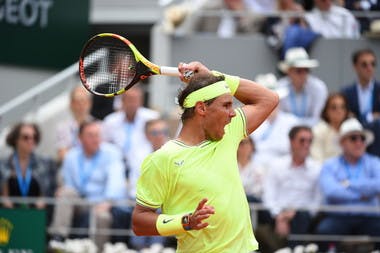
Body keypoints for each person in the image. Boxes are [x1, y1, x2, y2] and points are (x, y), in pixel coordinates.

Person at [132, 61, 279, 252]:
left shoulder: (228, 132)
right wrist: (184, 222)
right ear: (201, 108)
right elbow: (139, 221)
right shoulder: (162, 159)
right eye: (226, 105)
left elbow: (270, 99)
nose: (233, 113)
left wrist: (213, 75)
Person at [50, 120, 127, 250]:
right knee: (66, 192)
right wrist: (63, 192)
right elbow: (68, 183)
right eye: (90, 135)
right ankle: (59, 238)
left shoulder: (111, 152)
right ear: (80, 138)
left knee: (102, 216)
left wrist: (107, 201)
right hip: (80, 200)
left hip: (101, 201)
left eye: (97, 135)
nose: (95, 139)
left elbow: (116, 180)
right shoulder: (71, 156)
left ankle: (97, 250)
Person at [315, 117, 380, 251]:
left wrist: (348, 184)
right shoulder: (329, 165)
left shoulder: (374, 162)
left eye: (362, 138)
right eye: (353, 138)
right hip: (339, 216)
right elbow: (331, 192)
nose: (359, 142)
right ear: (342, 143)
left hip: (369, 217)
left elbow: (378, 185)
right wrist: (363, 195)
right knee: (324, 231)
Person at [262, 125, 321, 250]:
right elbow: (269, 196)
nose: (306, 144)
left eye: (309, 141)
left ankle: (293, 249)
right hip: (277, 214)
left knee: (301, 216)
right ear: (291, 141)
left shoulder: (317, 168)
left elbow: (317, 202)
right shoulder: (276, 165)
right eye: (302, 140)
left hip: (304, 216)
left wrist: (294, 213)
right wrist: (280, 216)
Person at [102, 86, 160, 200]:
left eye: (135, 100)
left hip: (143, 164)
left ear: (141, 101)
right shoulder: (110, 121)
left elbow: (159, 143)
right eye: (129, 100)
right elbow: (105, 147)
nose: (132, 104)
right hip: (117, 166)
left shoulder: (152, 117)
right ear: (122, 101)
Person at [129, 118, 170, 250]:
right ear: (147, 135)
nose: (160, 136)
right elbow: (134, 183)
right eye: (155, 132)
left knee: (157, 208)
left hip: (166, 200)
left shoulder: (175, 152)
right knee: (144, 208)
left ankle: (155, 247)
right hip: (142, 198)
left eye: (163, 131)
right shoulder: (138, 155)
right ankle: (141, 247)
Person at [0, 122, 57, 211]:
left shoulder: (45, 163)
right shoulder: (3, 164)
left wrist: (44, 199)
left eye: (33, 137)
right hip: (8, 215)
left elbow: (52, 189)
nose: (30, 141)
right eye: (25, 137)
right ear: (16, 140)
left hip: (37, 214)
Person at [250, 73, 300, 169]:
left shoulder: (292, 122)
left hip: (284, 171)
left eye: (273, 99)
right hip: (255, 172)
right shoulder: (249, 121)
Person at [341, 48, 380, 157]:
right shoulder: (347, 92)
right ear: (355, 67)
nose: (369, 68)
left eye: (373, 64)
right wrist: (371, 117)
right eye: (364, 64)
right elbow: (347, 116)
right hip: (354, 134)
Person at [277, 47, 328, 126]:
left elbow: (316, 117)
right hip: (286, 131)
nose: (303, 74)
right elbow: (279, 117)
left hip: (312, 131)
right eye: (299, 71)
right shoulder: (279, 87)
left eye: (306, 70)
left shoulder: (318, 88)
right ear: (289, 71)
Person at [55, 86, 93, 163]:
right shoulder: (62, 127)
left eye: (84, 101)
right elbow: (62, 154)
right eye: (77, 102)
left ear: (89, 103)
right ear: (71, 104)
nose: (81, 105)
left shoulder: (98, 125)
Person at [310, 93, 350, 163]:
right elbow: (316, 159)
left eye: (342, 107)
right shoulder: (318, 131)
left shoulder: (351, 129)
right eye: (334, 108)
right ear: (326, 111)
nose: (339, 111)